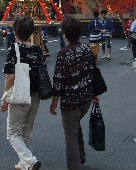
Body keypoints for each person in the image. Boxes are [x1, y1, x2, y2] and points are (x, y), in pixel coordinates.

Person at [50, 16, 98, 170]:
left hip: (71, 101)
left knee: (70, 133)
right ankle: (81, 155)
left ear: (65, 34)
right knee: (75, 126)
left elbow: (58, 80)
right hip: (86, 98)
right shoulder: (86, 48)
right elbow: (92, 72)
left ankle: (74, 166)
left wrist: (54, 102)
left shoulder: (63, 53)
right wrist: (95, 93)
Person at [1, 16, 45, 170]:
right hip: (35, 95)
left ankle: (30, 160)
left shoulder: (14, 49)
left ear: (15, 32)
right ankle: (24, 163)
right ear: (31, 32)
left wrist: (5, 98)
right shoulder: (37, 49)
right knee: (26, 129)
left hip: (20, 95)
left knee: (12, 133)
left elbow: (10, 77)